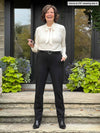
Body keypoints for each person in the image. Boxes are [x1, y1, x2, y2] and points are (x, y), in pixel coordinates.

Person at [27, 4, 67, 129]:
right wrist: (32, 46)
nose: (49, 14)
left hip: (56, 58)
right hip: (42, 58)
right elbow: (37, 49)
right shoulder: (39, 29)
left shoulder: (61, 28)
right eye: (47, 12)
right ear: (44, 15)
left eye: (52, 12)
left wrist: (64, 55)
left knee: (58, 90)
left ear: (55, 15)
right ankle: (37, 119)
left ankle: (61, 119)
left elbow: (63, 45)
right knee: (39, 90)